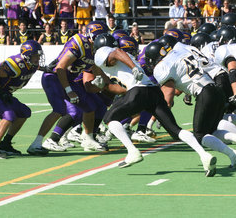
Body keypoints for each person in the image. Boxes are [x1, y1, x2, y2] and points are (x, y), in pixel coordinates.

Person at [93, 33, 219, 174]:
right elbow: (122, 89)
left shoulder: (104, 53)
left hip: (139, 91)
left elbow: (116, 52)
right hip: (152, 91)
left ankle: (132, 151)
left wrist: (133, 68)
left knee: (109, 119)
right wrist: (104, 86)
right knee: (175, 131)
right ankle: (204, 155)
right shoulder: (122, 60)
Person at [146, 41, 236, 174]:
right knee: (211, 131)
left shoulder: (162, 67)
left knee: (199, 135)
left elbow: (168, 98)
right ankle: (235, 152)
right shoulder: (179, 52)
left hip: (205, 94)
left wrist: (160, 114)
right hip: (216, 89)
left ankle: (234, 147)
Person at [26, 21, 110, 155]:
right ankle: (39, 143)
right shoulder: (79, 43)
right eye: (101, 37)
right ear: (92, 36)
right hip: (54, 78)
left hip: (69, 79)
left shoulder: (95, 48)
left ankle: (88, 139)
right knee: (60, 110)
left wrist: (109, 82)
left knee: (90, 106)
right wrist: (69, 91)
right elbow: (60, 68)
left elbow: (94, 67)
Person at [0, 40, 44, 158]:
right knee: (9, 115)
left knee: (24, 112)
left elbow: (33, 66)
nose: (38, 58)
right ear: (27, 56)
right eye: (35, 56)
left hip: (3, 94)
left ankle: (5, 144)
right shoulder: (15, 65)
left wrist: (47, 69)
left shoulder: (31, 64)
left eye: (39, 55)